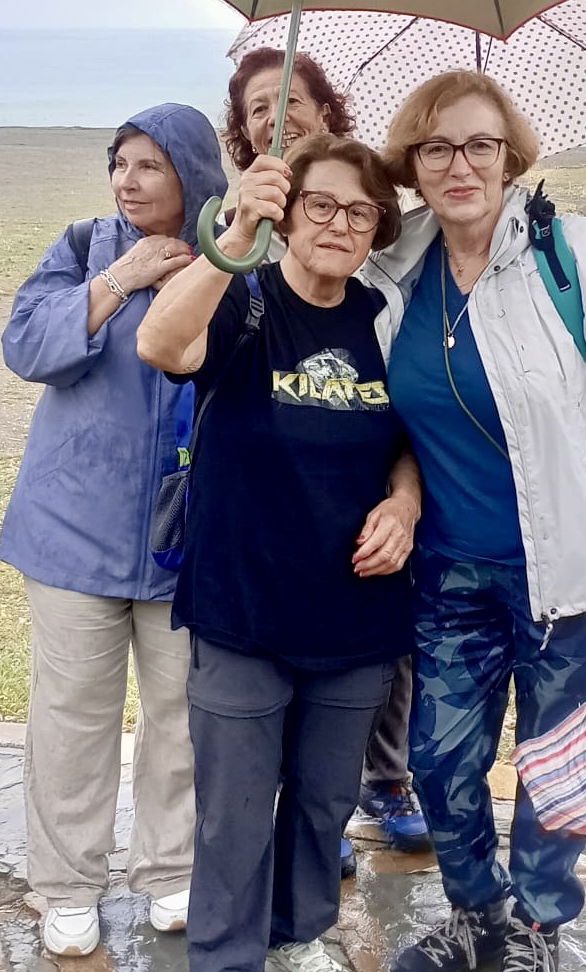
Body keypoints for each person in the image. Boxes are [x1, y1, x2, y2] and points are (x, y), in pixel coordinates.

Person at [367, 72, 586, 972]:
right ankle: (477, 912)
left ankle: (539, 925)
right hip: (450, 571)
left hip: (578, 571)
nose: (459, 166)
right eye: (436, 148)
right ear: (413, 165)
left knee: (559, 770)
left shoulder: (569, 251)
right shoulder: (396, 269)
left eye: (480, 145)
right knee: (438, 761)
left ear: (511, 156)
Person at [136, 134, 417, 972]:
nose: (340, 224)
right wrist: (231, 239)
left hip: (356, 615)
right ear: (288, 214)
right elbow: (159, 344)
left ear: (377, 229)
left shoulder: (383, 317)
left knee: (325, 799)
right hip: (242, 607)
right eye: (320, 205)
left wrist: (405, 501)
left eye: (360, 212)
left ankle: (298, 936)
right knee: (232, 814)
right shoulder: (243, 300)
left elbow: (411, 435)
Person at [0, 104, 227, 958]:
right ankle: (67, 885)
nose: (127, 182)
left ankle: (171, 869)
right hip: (72, 530)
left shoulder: (231, 255)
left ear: (192, 173)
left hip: (188, 538)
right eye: (119, 163)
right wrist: (121, 279)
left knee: (180, 713)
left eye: (149, 165)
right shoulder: (82, 247)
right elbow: (27, 346)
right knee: (71, 717)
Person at [225, 47, 430, 860]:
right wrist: (242, 224)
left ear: (325, 109)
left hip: (363, 474)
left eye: (292, 102)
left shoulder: (369, 222)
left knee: (377, 649)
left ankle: (377, 782)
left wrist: (405, 497)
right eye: (258, 110)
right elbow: (175, 344)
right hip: (265, 488)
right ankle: (300, 812)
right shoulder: (245, 215)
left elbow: (403, 418)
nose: (277, 119)